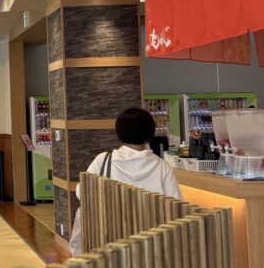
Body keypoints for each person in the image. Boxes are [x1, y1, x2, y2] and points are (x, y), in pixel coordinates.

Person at [70, 107, 181, 256]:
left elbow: (82, 193)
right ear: (150, 132)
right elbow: (176, 205)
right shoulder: (162, 166)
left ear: (119, 132)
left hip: (109, 241)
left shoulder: (104, 160)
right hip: (149, 245)